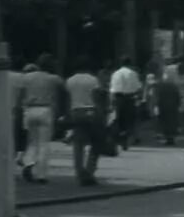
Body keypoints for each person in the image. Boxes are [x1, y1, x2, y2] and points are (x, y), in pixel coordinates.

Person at [18, 55, 64, 184]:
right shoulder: (53, 78)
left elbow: (21, 95)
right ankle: (41, 175)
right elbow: (63, 89)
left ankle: (28, 162)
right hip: (45, 110)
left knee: (32, 141)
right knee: (43, 143)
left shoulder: (26, 78)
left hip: (30, 110)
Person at [65, 58, 107, 186]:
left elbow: (67, 99)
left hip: (75, 112)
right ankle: (89, 171)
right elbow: (97, 97)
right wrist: (102, 115)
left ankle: (79, 173)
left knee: (78, 145)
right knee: (96, 142)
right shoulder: (93, 80)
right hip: (90, 112)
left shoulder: (69, 80)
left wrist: (67, 115)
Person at [109, 57, 143, 149]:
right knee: (129, 120)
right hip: (129, 98)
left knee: (119, 119)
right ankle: (125, 139)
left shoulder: (115, 74)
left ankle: (120, 138)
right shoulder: (133, 73)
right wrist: (139, 98)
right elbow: (138, 88)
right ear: (130, 63)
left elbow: (112, 89)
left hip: (118, 98)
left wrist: (111, 102)